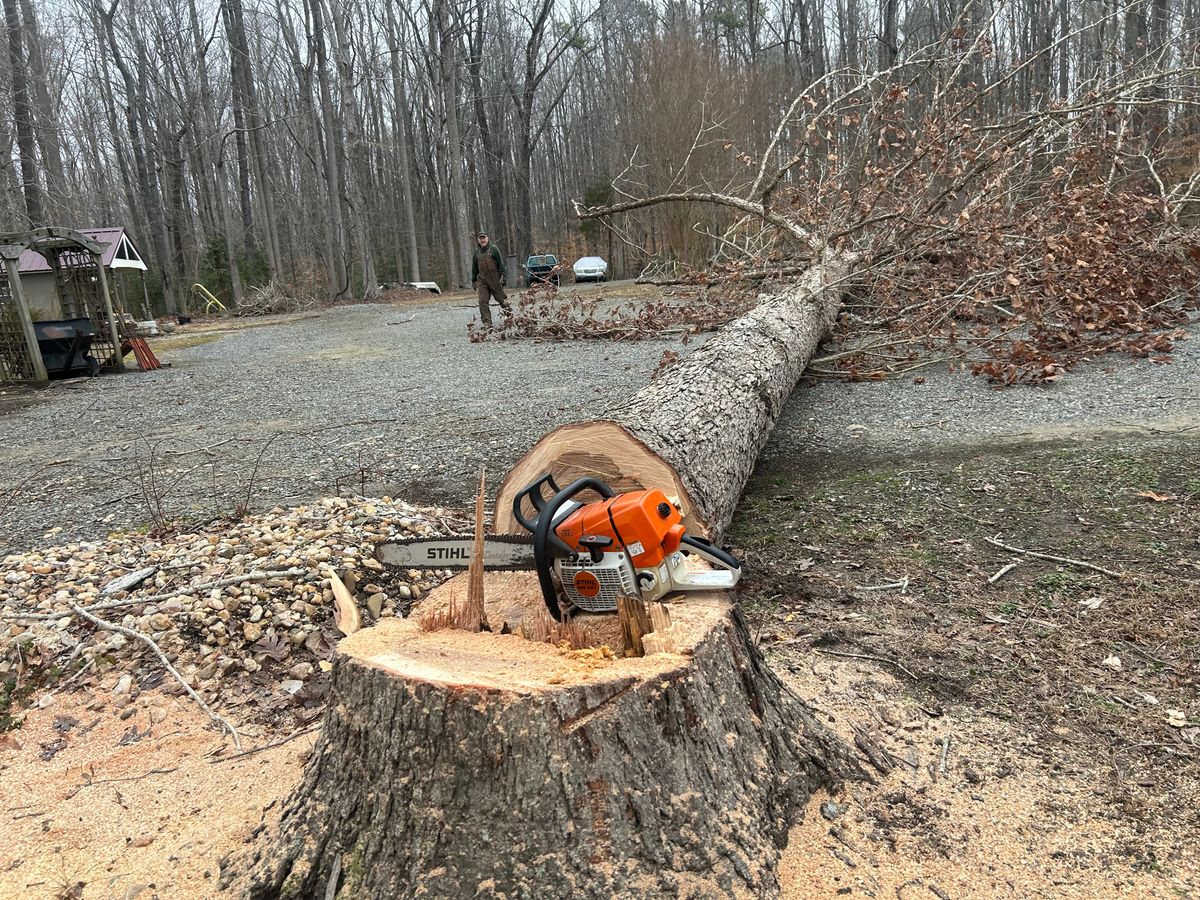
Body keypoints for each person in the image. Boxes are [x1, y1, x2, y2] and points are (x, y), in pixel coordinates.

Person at [471, 232, 511, 326]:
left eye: (484, 238)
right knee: (482, 302)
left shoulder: (494, 249)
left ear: (487, 238)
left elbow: (500, 264)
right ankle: (487, 323)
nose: (482, 240)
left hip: (494, 279)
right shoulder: (476, 253)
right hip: (482, 280)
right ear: (478, 240)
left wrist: (503, 276)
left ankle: (510, 317)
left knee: (502, 299)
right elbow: (474, 268)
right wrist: (473, 280)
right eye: (480, 238)